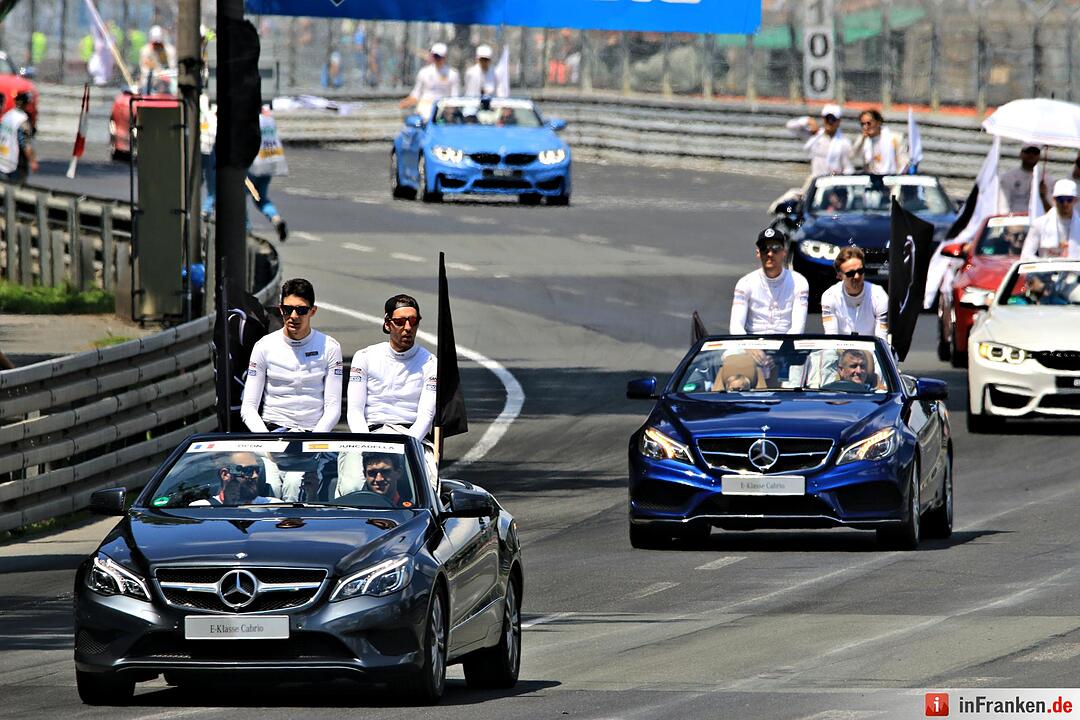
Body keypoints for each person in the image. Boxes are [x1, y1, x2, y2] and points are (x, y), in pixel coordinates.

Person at [347, 294, 438, 489]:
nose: (408, 328)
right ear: (388, 324)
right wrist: (369, 446)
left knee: (428, 488)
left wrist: (404, 448)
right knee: (351, 485)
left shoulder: (431, 363)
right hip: (370, 434)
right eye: (400, 322)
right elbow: (354, 411)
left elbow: (426, 416)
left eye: (413, 321)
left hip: (412, 438)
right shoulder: (364, 357)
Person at [241, 278, 343, 433]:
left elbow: (333, 408)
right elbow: (248, 407)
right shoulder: (263, 346)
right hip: (273, 431)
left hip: (314, 433)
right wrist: (267, 439)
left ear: (313, 311)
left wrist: (314, 440)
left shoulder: (330, 347)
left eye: (301, 310)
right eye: (288, 309)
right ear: (281, 309)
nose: (294, 316)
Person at [730, 228, 809, 335]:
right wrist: (747, 344)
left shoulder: (799, 282)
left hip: (786, 341)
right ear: (758, 253)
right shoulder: (745, 283)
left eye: (775, 248)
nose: (770, 254)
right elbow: (736, 327)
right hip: (751, 341)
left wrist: (785, 344)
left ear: (784, 252)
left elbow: (798, 328)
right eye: (764, 249)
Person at [820, 247, 889, 339]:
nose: (856, 276)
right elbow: (831, 336)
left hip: (871, 347)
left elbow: (881, 338)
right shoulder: (829, 296)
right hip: (839, 347)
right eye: (850, 273)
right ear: (839, 276)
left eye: (860, 271)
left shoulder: (879, 295)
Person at [246, 105, 289, 241]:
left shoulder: (251, 121)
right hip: (269, 164)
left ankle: (246, 230)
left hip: (253, 167)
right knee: (261, 198)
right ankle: (275, 218)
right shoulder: (269, 120)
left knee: (240, 198)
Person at [785, 104, 854, 178]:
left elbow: (848, 169)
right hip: (816, 181)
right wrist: (808, 120)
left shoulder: (844, 143)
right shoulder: (815, 136)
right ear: (823, 119)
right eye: (827, 118)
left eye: (833, 119)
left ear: (839, 121)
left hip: (834, 182)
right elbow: (790, 126)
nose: (830, 122)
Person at [190, 452, 277, 506]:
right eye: (248, 470)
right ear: (225, 474)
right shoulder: (202, 510)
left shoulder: (273, 507)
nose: (255, 476)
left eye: (257, 470)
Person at [399, 42, 461, 119]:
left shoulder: (452, 74)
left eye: (439, 57)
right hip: (425, 108)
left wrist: (450, 109)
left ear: (444, 57)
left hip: (444, 109)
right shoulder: (424, 72)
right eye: (435, 56)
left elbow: (455, 96)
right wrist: (407, 102)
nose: (437, 59)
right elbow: (417, 93)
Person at [1021, 179, 1080, 259]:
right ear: (1054, 200)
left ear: (1075, 200)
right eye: (1061, 199)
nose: (1065, 203)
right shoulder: (1039, 224)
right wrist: (1042, 264)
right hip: (1046, 266)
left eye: (1069, 199)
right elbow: (1026, 255)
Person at [851, 109, 908, 175]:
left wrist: (898, 177)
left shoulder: (894, 138)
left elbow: (903, 162)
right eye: (862, 124)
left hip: (892, 177)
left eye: (869, 123)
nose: (865, 127)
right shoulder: (863, 141)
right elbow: (853, 156)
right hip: (872, 178)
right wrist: (862, 139)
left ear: (878, 122)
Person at [999, 145, 1051, 213]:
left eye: (1035, 152)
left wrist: (1043, 197)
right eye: (1028, 152)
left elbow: (1051, 210)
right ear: (1021, 154)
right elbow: (1003, 205)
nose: (1031, 155)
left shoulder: (1046, 179)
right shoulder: (1008, 177)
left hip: (1038, 218)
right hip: (1014, 217)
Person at [0, 92, 38, 184]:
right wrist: (32, 160)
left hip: (2, 160)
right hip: (15, 163)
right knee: (16, 189)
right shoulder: (22, 120)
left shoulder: (7, 115)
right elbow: (25, 143)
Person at [138, 25, 177, 94]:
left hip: (167, 83)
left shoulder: (169, 50)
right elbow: (144, 69)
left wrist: (164, 74)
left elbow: (172, 67)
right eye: (155, 43)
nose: (157, 46)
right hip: (150, 83)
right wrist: (156, 74)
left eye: (159, 43)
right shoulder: (145, 51)